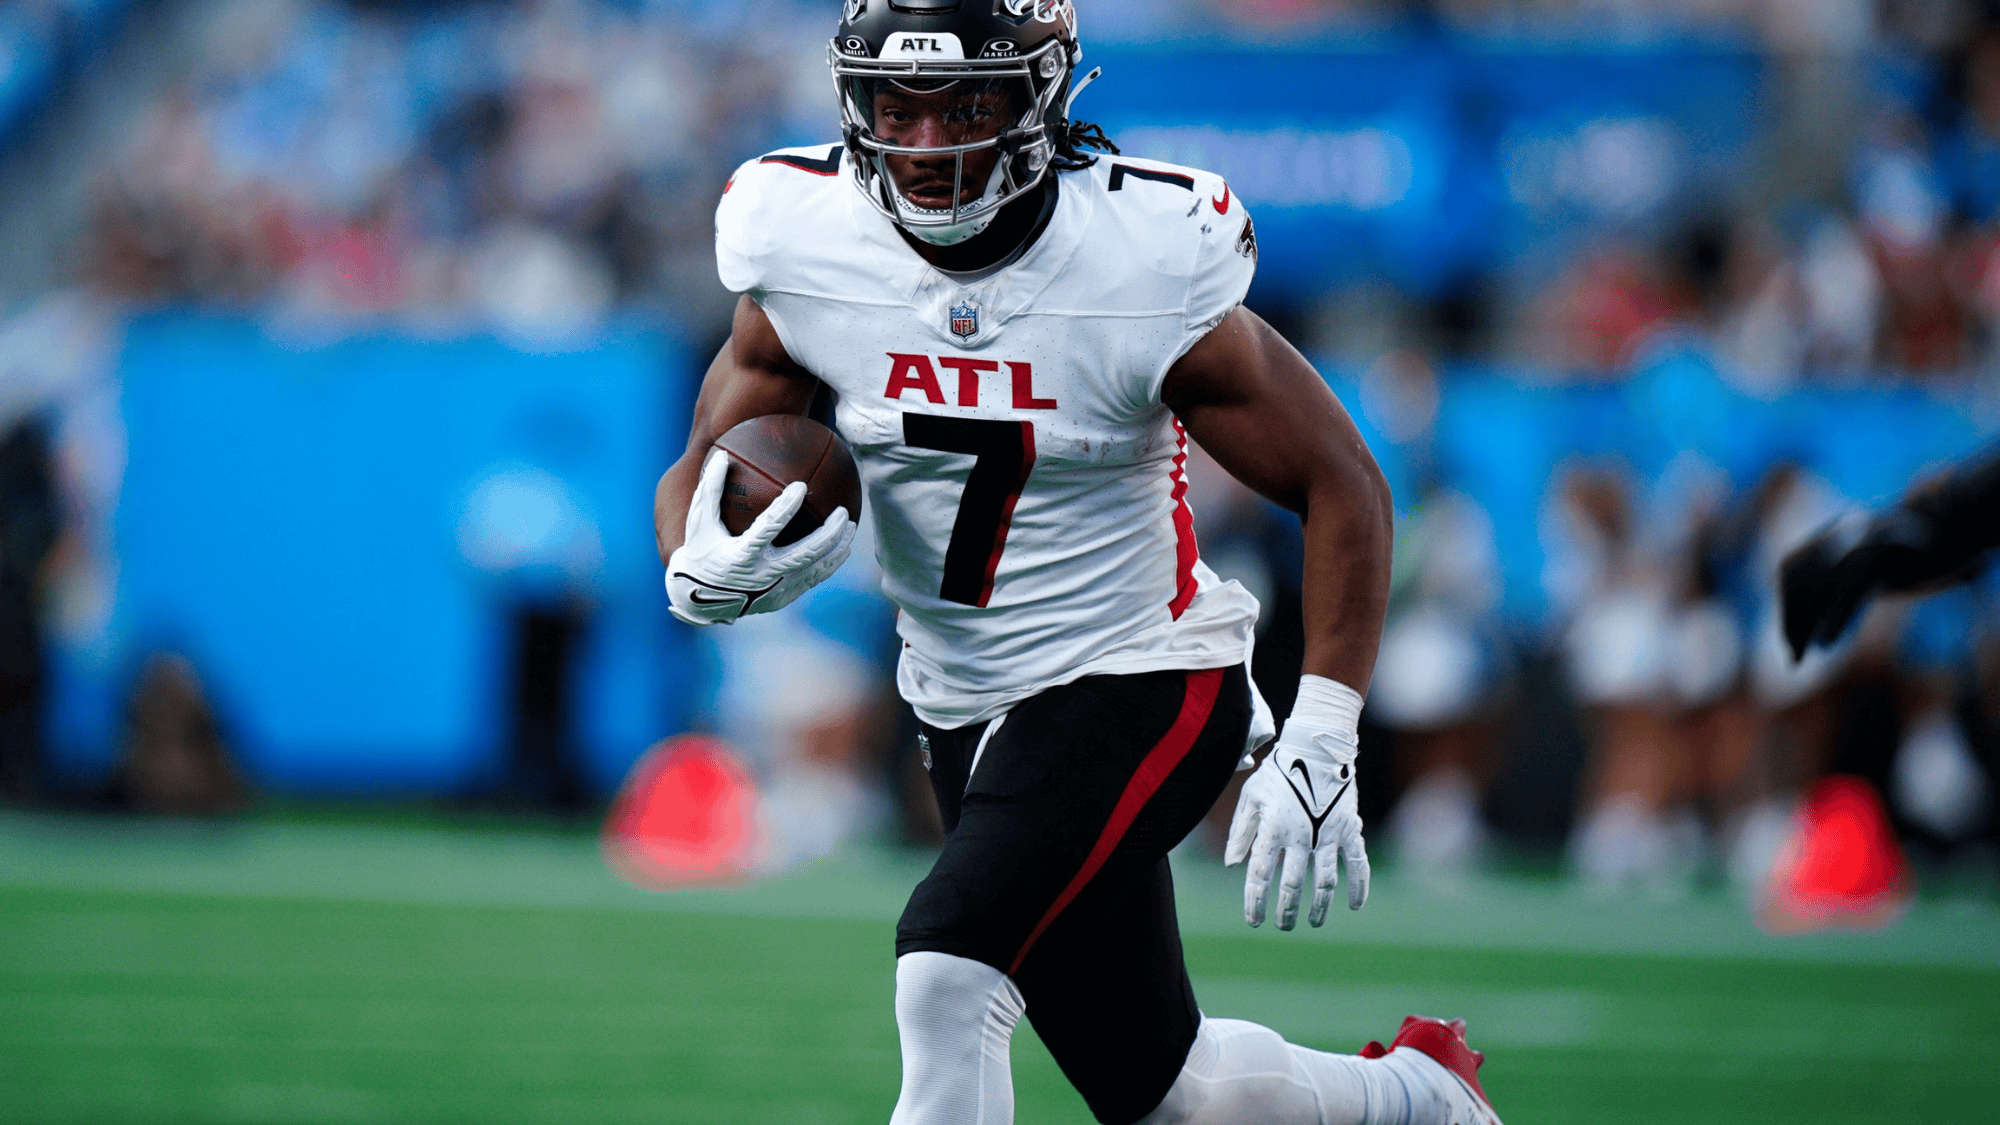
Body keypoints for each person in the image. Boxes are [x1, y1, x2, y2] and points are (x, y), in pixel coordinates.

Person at [652, 4, 1500, 1123]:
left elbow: (1341, 479)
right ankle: (1419, 1100)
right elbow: (704, 466)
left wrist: (1324, 721)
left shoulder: (1139, 253)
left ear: (1041, 96)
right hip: (960, 700)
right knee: (1167, 1095)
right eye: (896, 108)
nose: (924, 145)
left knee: (947, 972)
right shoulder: (801, 237)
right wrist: (694, 559)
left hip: (1144, 670)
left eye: (964, 105)